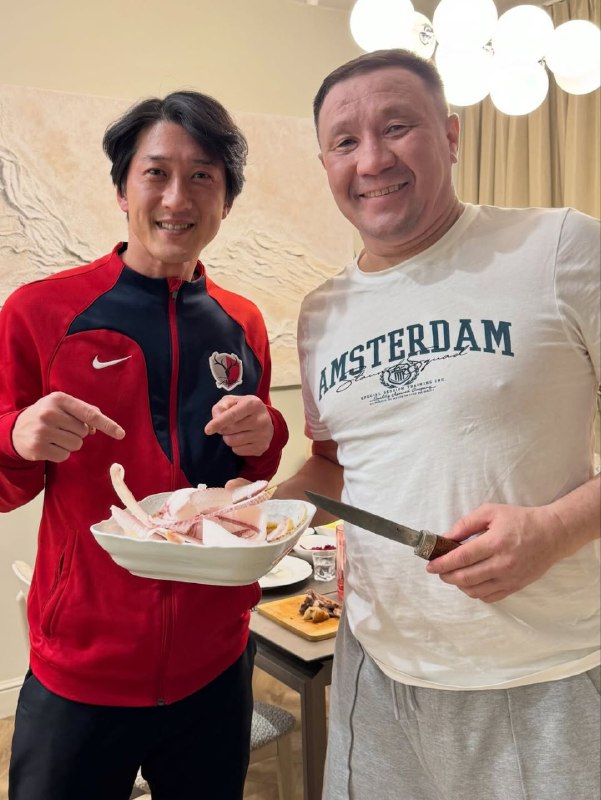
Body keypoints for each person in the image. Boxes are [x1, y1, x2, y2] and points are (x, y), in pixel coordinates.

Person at [277, 49, 600, 799]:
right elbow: (334, 465)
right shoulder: (321, 313)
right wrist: (252, 520)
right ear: (325, 164)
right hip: (374, 669)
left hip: (540, 673)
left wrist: (556, 529)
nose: (372, 160)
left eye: (398, 127)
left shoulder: (559, 246)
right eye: (346, 142)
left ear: (450, 136)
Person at [0, 89, 288, 800]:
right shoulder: (40, 313)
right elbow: (6, 486)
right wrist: (16, 435)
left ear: (225, 201)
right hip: (81, 669)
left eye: (202, 176)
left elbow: (244, 480)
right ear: (122, 189)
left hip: (215, 663)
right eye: (156, 172)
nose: (177, 197)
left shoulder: (243, 323)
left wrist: (266, 435)